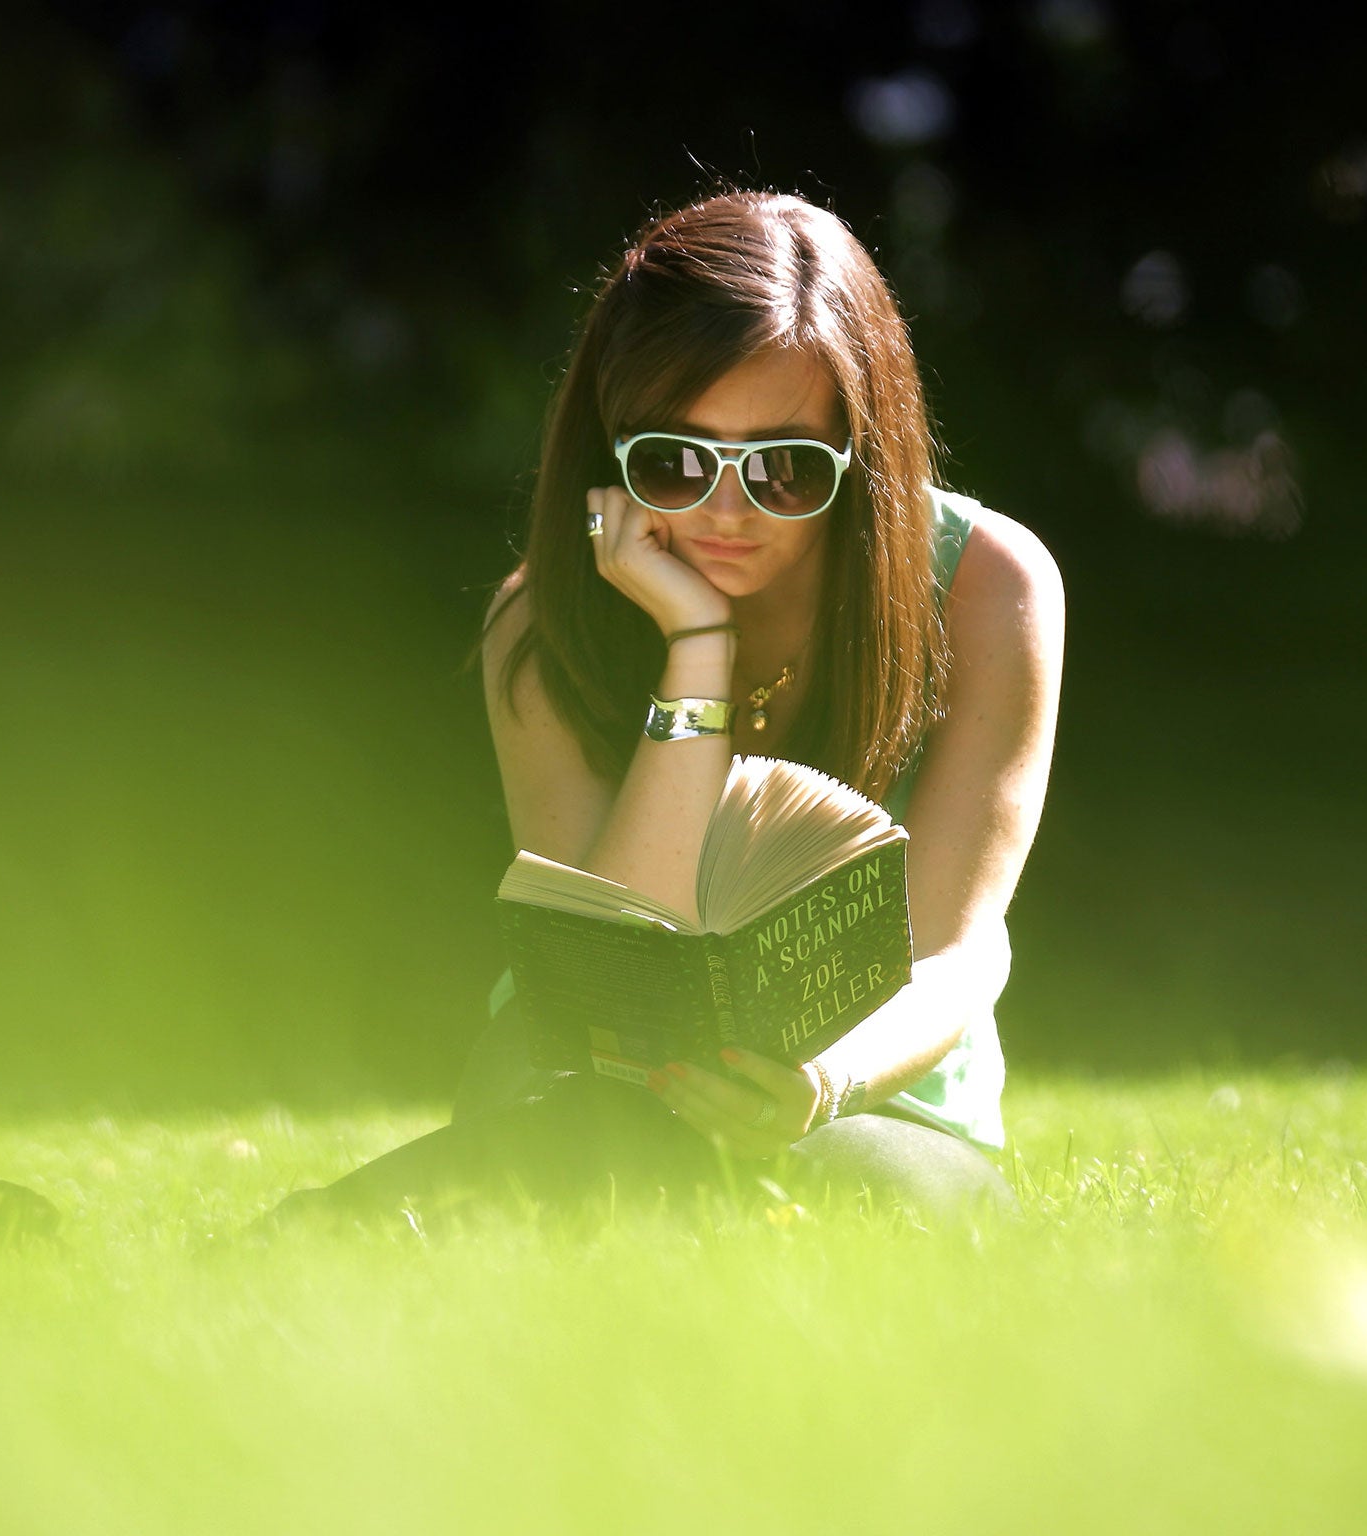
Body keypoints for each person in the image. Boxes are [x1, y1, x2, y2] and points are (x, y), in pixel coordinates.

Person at [273, 190, 1065, 1227]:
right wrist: (695, 652)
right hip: (590, 1081)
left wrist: (815, 1087)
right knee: (580, 1173)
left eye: (782, 466)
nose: (724, 511)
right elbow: (606, 962)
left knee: (877, 1203)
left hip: (880, 1089)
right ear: (609, 450)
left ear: (861, 456)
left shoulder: (986, 585)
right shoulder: (541, 621)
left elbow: (951, 953)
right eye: (674, 461)